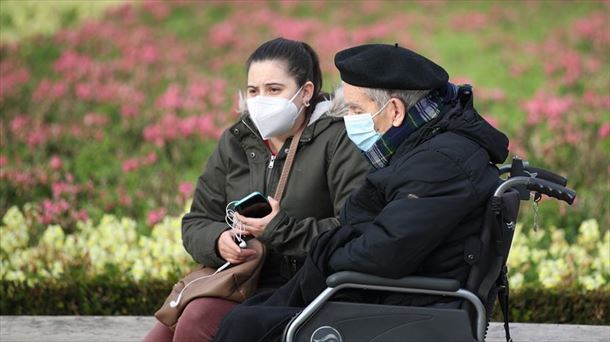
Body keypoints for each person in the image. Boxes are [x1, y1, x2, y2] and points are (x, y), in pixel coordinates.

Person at [214, 43, 510, 341]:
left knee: (244, 327)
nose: (349, 119)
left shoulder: (440, 164)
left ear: (395, 110)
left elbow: (384, 252)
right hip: (393, 298)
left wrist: (326, 251)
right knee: (247, 318)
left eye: (356, 109)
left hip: (406, 309)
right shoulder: (428, 147)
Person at [143, 38, 369, 342]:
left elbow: (355, 230)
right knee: (167, 327)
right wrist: (219, 241)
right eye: (253, 91)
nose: (261, 100)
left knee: (197, 319)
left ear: (306, 93)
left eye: (274, 90)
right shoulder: (237, 140)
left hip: (300, 287)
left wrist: (278, 229)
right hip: (239, 279)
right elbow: (195, 222)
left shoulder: (338, 140)